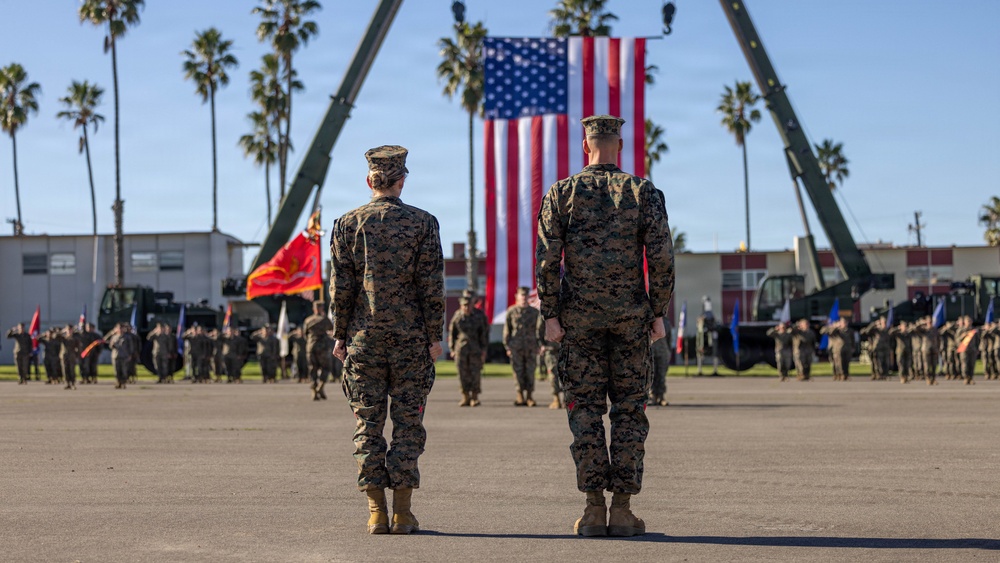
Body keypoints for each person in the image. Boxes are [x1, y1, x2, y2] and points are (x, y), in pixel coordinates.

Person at [536, 115, 673, 537]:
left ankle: (594, 509)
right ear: (620, 144)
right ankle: (623, 510)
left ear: (585, 145)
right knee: (630, 411)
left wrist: (551, 314)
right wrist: (657, 311)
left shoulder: (562, 192)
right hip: (631, 319)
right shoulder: (642, 191)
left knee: (586, 411)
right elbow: (662, 256)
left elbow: (546, 258)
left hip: (579, 320)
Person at [330, 144, 444, 535]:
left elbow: (340, 288)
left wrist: (339, 334)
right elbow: (432, 286)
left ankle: (375, 511)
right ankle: (403, 513)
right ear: (402, 179)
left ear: (369, 180)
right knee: (408, 425)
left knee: (368, 425)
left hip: (364, 341)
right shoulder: (423, 223)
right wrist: (435, 336)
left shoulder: (347, 224)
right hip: (411, 340)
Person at [503, 287, 544, 407]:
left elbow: (539, 331)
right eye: (522, 296)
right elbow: (507, 331)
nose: (524, 298)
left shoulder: (534, 312)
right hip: (516, 348)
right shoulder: (511, 311)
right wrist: (507, 347)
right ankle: (520, 395)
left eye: (526, 296)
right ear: (517, 297)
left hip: (531, 347)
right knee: (518, 372)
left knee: (530, 372)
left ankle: (530, 396)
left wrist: (540, 345)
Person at [448, 296, 489, 407]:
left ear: (472, 305)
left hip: (475, 349)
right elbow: (452, 334)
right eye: (464, 305)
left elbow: (483, 335)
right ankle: (465, 396)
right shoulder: (457, 317)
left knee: (475, 373)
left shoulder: (478, 317)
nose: (466, 307)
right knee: (462, 374)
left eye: (468, 305)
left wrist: (484, 350)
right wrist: (452, 349)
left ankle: (475, 397)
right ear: (461, 306)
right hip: (461, 350)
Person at [303, 301, 336, 401]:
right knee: (326, 368)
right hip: (323, 348)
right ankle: (320, 387)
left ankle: (314, 390)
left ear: (314, 308)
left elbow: (305, 334)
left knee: (312, 369)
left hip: (310, 347)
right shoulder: (325, 320)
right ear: (321, 308)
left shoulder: (308, 320)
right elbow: (332, 329)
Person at [648, 317, 672, 406]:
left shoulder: (665, 321)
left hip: (663, 352)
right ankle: (653, 396)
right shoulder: (650, 319)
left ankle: (661, 397)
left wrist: (668, 352)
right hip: (652, 351)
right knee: (651, 375)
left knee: (662, 375)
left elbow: (669, 337)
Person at [107, 322, 135, 389]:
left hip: (124, 356)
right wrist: (111, 334)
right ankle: (118, 382)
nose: (120, 329)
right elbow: (106, 341)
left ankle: (123, 383)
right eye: (118, 328)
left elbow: (131, 347)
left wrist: (130, 355)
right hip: (115, 356)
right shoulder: (114, 337)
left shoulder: (127, 337)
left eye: (121, 328)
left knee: (124, 370)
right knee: (117, 371)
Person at [60, 325, 81, 390]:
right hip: (64, 356)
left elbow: (79, 347)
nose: (69, 331)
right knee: (65, 370)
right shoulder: (63, 338)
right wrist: (62, 331)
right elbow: (55, 336)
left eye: (70, 330)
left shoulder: (75, 338)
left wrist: (77, 355)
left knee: (72, 370)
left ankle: (73, 383)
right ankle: (67, 383)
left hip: (72, 356)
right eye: (67, 330)